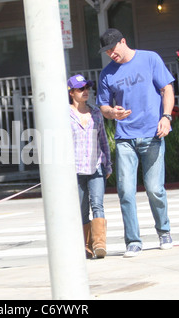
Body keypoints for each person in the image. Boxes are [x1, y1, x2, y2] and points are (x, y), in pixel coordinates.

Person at [96, 29, 175, 258]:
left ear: (123, 41)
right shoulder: (107, 74)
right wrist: (113, 112)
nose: (111, 54)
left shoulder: (150, 58)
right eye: (107, 51)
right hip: (125, 139)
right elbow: (104, 107)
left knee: (154, 189)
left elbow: (166, 88)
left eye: (113, 48)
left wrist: (166, 117)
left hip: (152, 134)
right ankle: (133, 241)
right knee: (126, 191)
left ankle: (164, 231)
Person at [67, 74, 112, 259]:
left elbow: (103, 141)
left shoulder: (95, 113)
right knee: (81, 207)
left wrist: (108, 164)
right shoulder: (64, 115)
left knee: (98, 205)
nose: (85, 91)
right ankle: (85, 246)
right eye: (80, 89)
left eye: (87, 88)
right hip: (75, 170)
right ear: (71, 93)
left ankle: (99, 244)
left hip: (95, 166)